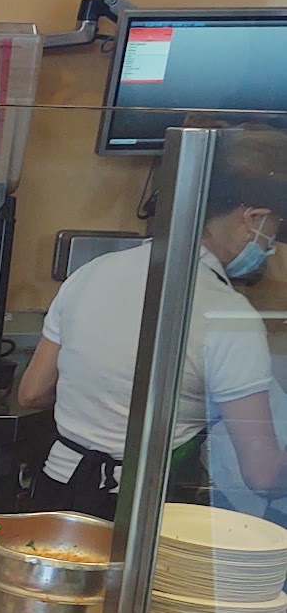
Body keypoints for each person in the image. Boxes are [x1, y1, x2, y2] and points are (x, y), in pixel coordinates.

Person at [17, 125, 287, 519]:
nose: (272, 242)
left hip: (56, 492)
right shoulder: (228, 317)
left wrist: (101, 402)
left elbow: (32, 392)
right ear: (253, 218)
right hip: (141, 507)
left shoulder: (91, 273)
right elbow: (262, 474)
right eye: (275, 226)